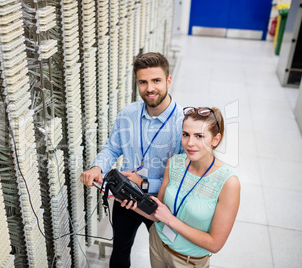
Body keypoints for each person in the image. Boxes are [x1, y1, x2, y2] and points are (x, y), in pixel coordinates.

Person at [80, 52, 184, 268]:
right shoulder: (128, 113)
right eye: (143, 82)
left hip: (163, 203)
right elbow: (112, 147)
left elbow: (184, 177)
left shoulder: (183, 124)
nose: (150, 88)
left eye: (156, 80)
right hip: (126, 198)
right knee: (120, 249)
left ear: (168, 80)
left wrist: (145, 183)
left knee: (165, 255)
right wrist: (97, 167)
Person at [120, 107, 241, 268]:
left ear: (215, 140)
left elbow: (215, 244)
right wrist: (130, 202)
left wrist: (170, 219)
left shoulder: (228, 183)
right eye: (186, 134)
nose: (190, 143)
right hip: (158, 245)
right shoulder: (175, 163)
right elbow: (158, 213)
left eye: (199, 136)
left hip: (188, 261)